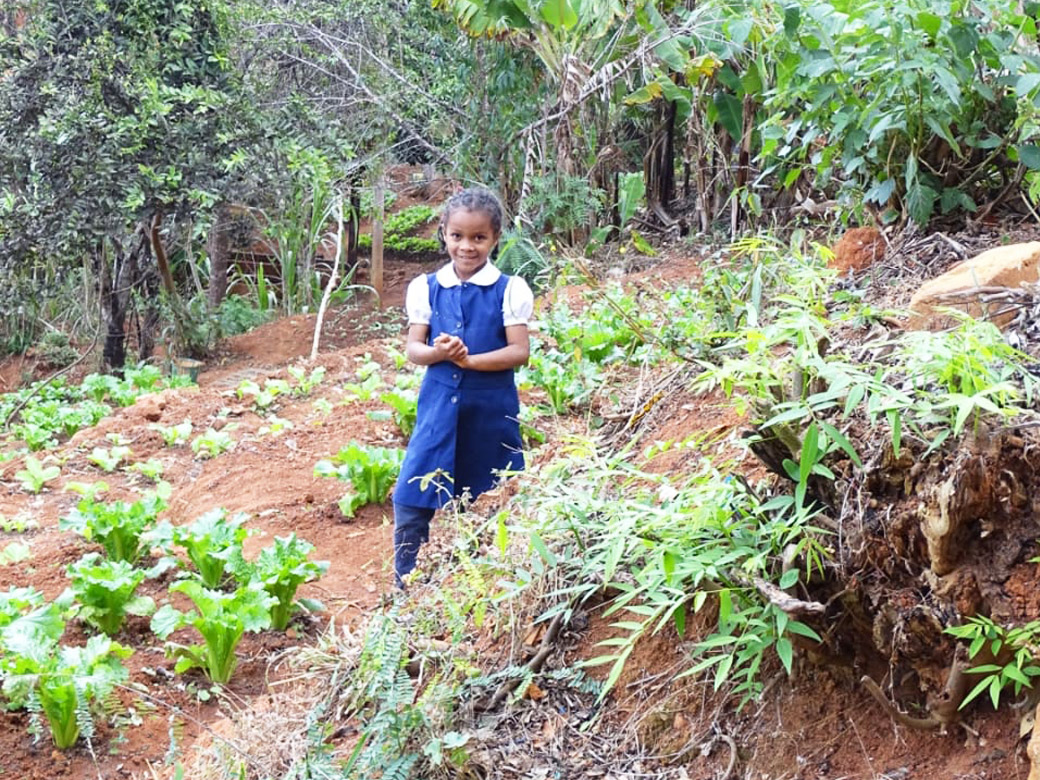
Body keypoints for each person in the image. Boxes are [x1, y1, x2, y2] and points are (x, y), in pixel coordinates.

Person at [392, 187, 533, 587]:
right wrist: (441, 351)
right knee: (411, 496)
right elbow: (414, 349)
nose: (466, 247)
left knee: (491, 499)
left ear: (495, 238)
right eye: (457, 236)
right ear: (444, 234)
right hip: (437, 411)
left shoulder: (509, 290)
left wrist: (468, 360)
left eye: (478, 238)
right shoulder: (426, 287)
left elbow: (518, 351)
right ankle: (406, 588)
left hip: (490, 414)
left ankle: (482, 584)